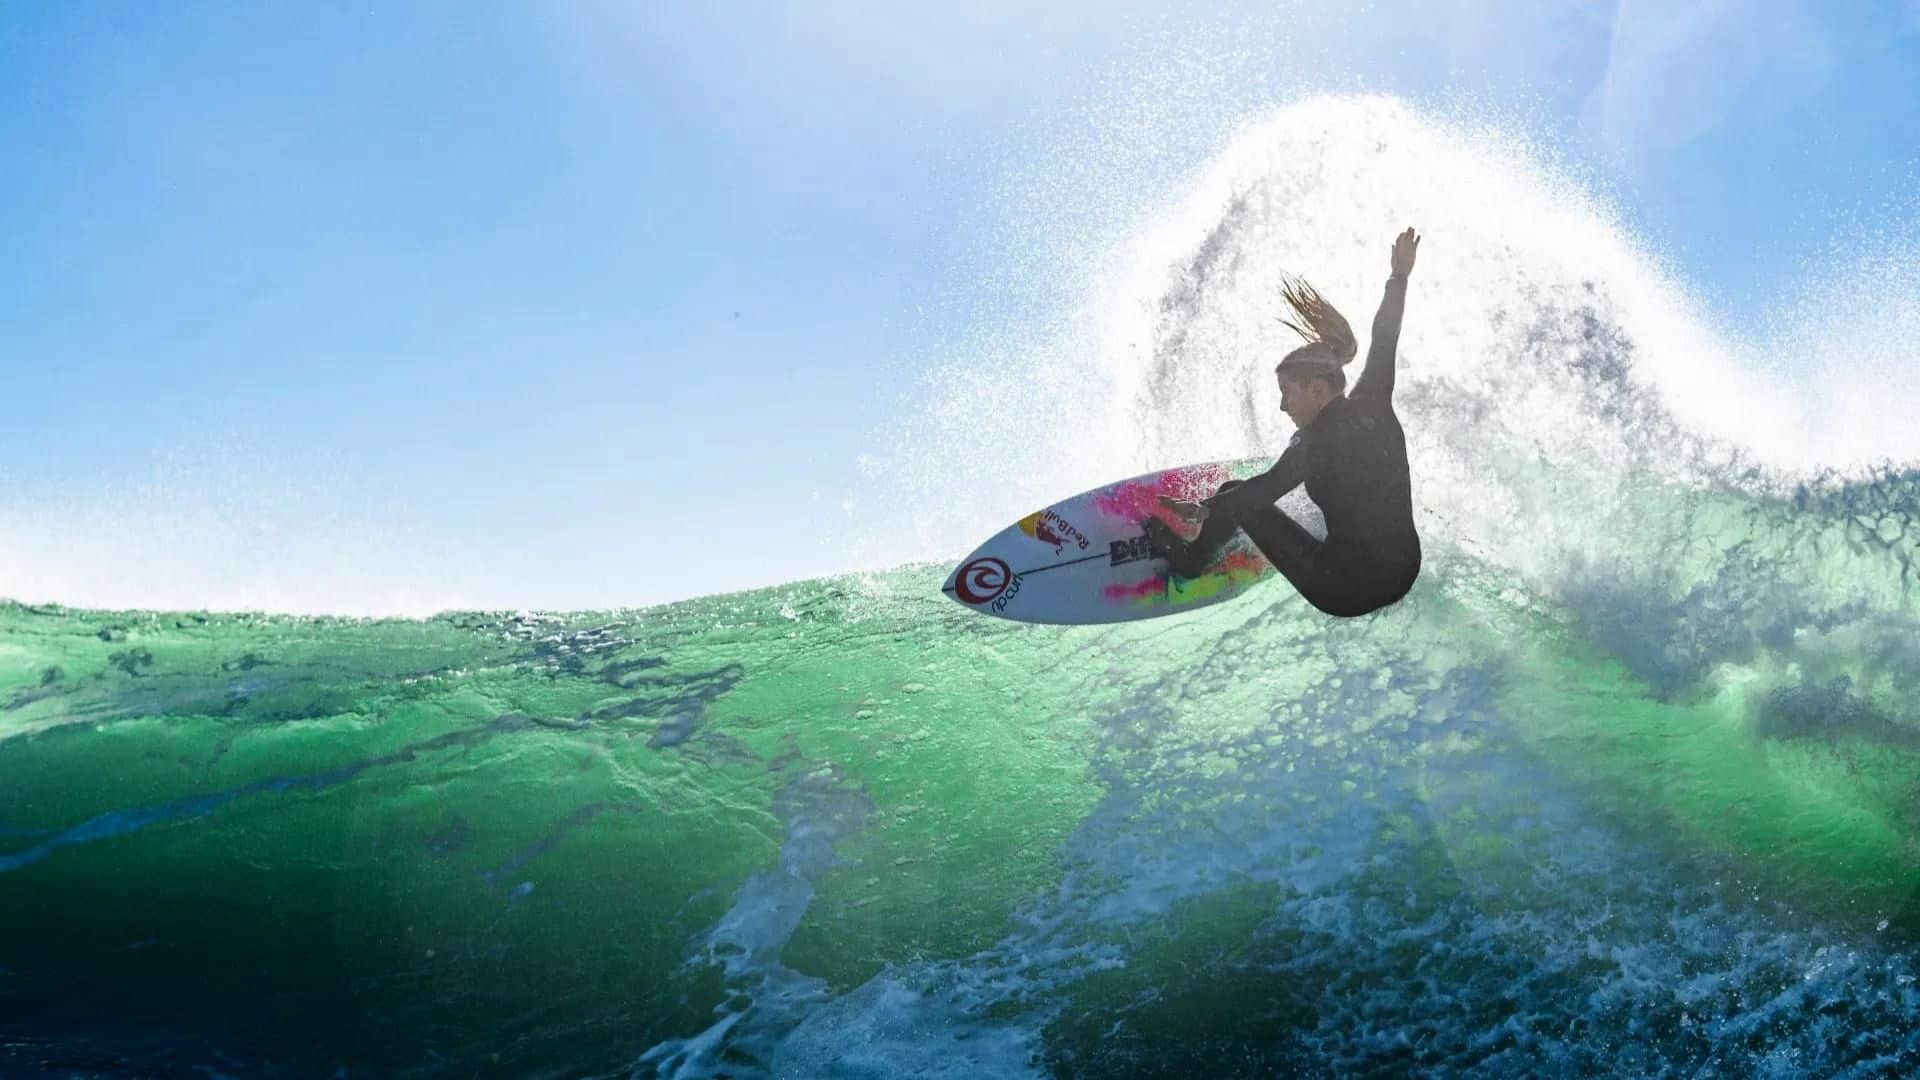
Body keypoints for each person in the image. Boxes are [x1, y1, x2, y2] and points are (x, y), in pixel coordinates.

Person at [1144, 227, 1422, 617]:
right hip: (1406, 571)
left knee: (1235, 490)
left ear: (1317, 389)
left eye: (1287, 392)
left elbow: (1258, 492)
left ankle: (1190, 561)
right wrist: (1399, 275)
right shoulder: (1374, 396)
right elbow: (1385, 335)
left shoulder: (1311, 443)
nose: (1281, 406)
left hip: (1346, 592)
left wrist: (1206, 507)